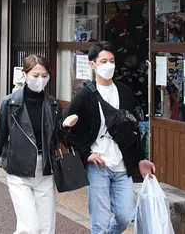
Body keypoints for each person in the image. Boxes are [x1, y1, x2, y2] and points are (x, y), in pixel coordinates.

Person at [63, 42, 155, 234]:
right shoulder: (84, 95)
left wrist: (140, 159)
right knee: (100, 223)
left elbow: (133, 130)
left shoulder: (125, 92)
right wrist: (86, 154)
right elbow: (66, 131)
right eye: (103, 61)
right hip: (98, 166)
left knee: (124, 216)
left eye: (111, 61)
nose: (109, 65)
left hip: (122, 166)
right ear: (92, 65)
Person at [0, 55, 63, 234]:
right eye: (35, 75)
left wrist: (65, 126)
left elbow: (57, 138)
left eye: (44, 75)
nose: (40, 80)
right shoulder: (10, 103)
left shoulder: (53, 104)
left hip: (45, 171)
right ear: (25, 75)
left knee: (46, 228)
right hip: (18, 171)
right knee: (29, 228)